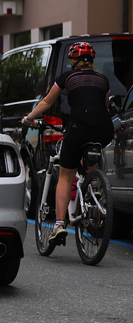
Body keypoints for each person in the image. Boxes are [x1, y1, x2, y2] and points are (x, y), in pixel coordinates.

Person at [22, 42, 114, 243]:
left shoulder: (67, 77)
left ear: (74, 60)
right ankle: (93, 187)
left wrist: (29, 117)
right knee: (88, 158)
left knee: (65, 175)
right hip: (104, 130)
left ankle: (59, 224)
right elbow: (105, 108)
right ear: (92, 61)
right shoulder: (103, 80)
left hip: (78, 128)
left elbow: (47, 102)